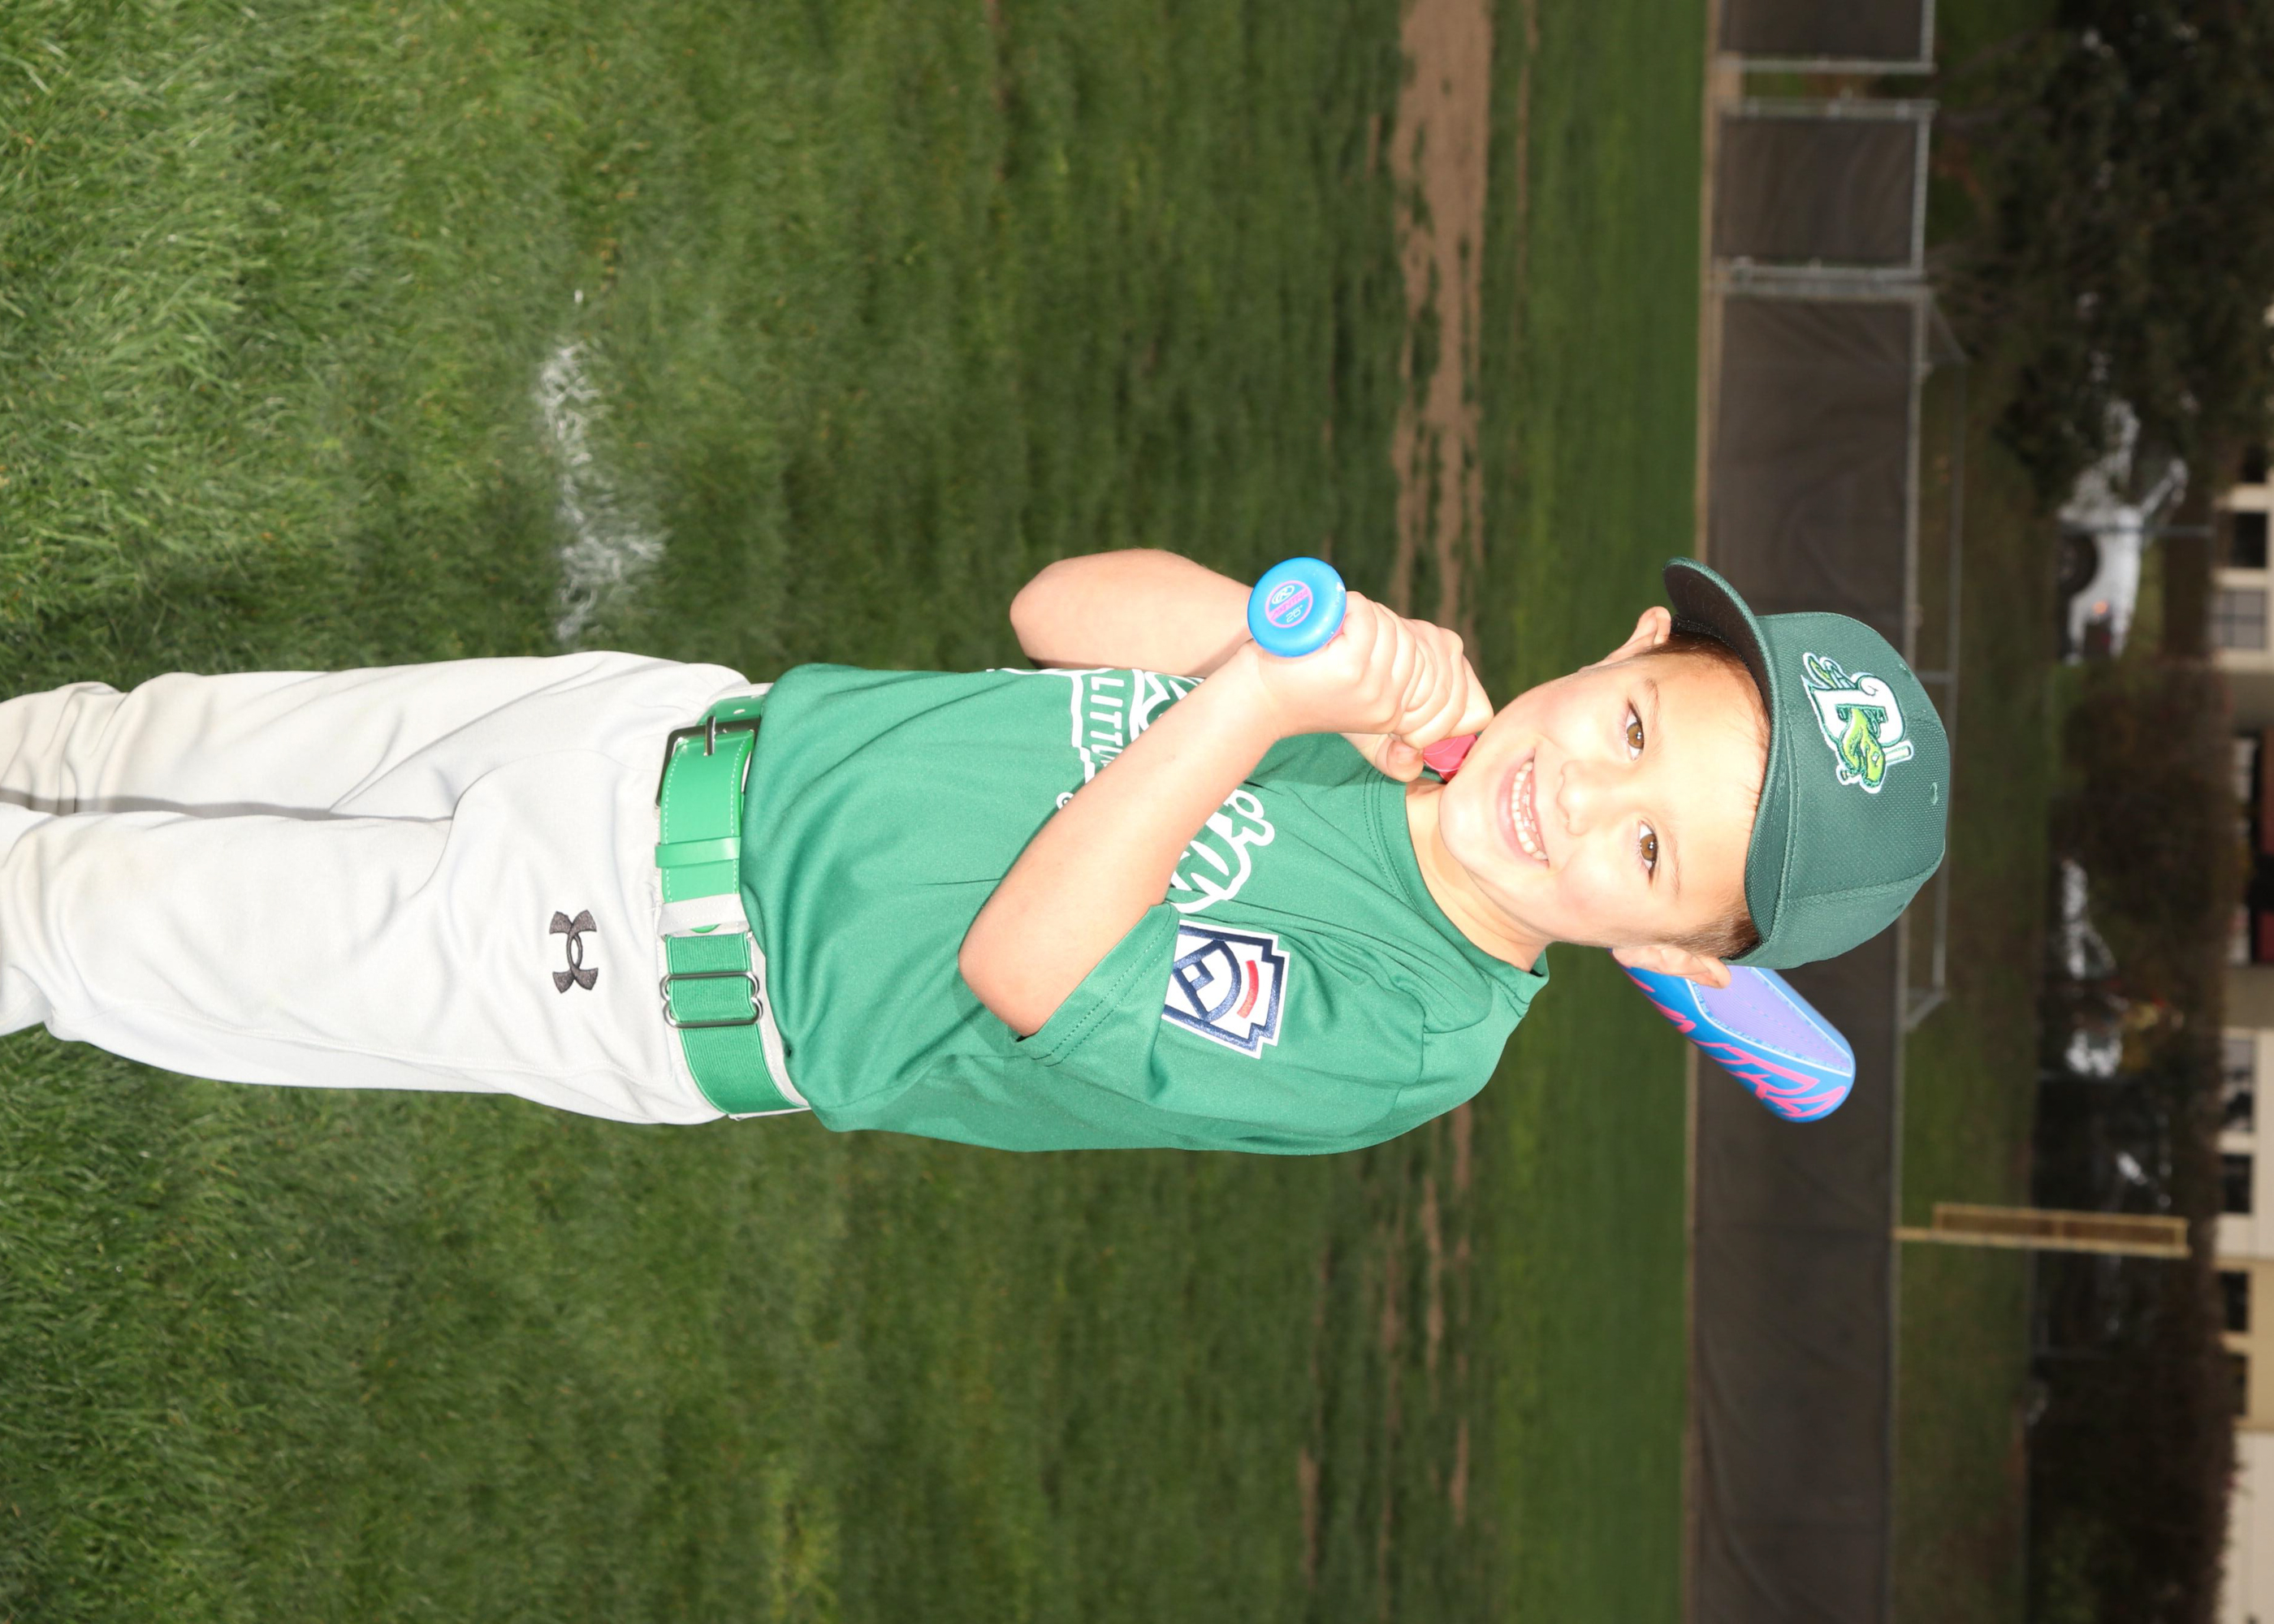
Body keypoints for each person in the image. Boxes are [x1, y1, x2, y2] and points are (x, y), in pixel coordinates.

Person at [0, 549, 1945, 1152]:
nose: (1577, 798)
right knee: (121, 747)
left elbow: (1031, 966)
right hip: (652, 730)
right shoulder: (1387, 720)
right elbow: (1053, 613)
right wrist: (1294, 644)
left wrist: (1258, 709)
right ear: (1621, 650)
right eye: (1629, 729)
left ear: (1675, 951)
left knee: (82, 915)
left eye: (1647, 853)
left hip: (647, 961)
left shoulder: (1411, 1030)